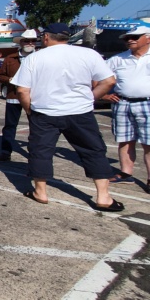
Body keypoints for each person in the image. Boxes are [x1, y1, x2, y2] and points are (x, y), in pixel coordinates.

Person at [11, 23, 122, 211]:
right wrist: (91, 98)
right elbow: (109, 80)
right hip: (80, 112)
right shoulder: (88, 54)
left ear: (46, 37)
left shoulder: (35, 58)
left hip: (45, 112)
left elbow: (22, 90)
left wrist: (29, 110)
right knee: (93, 150)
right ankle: (103, 197)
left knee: (41, 151)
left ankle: (41, 192)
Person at [102, 25, 150, 190]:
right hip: (122, 102)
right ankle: (126, 173)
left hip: (147, 103)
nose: (130, 40)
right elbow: (99, 75)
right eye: (127, 38)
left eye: (135, 37)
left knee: (148, 143)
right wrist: (103, 95)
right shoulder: (118, 59)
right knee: (125, 140)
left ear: (148, 38)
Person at [0, 30, 38, 161]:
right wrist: (9, 79)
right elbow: (0, 76)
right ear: (21, 42)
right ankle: (5, 151)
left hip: (35, 97)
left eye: (33, 41)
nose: (30, 43)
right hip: (14, 96)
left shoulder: (41, 57)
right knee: (10, 125)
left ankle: (34, 152)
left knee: (36, 126)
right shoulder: (10, 58)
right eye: (26, 40)